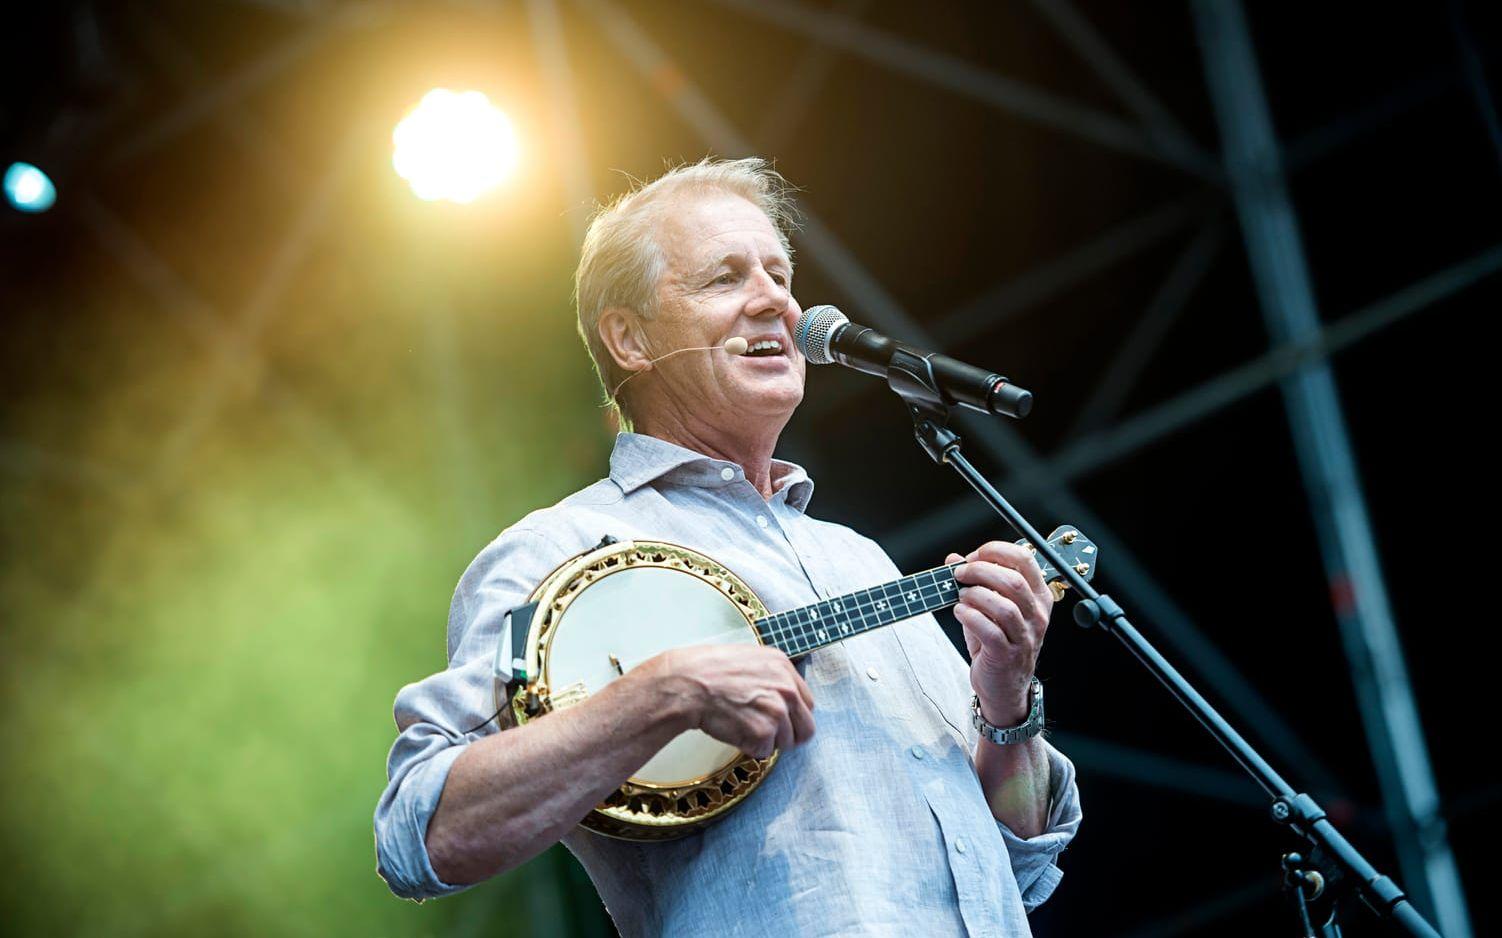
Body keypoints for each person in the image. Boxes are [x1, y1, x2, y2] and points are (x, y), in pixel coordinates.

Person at [374, 157, 1081, 936]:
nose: (775, 300)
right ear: (630, 339)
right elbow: (420, 830)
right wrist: (656, 697)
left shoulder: (859, 558)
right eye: (725, 278)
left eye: (781, 275)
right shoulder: (556, 549)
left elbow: (1017, 865)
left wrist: (1008, 704)